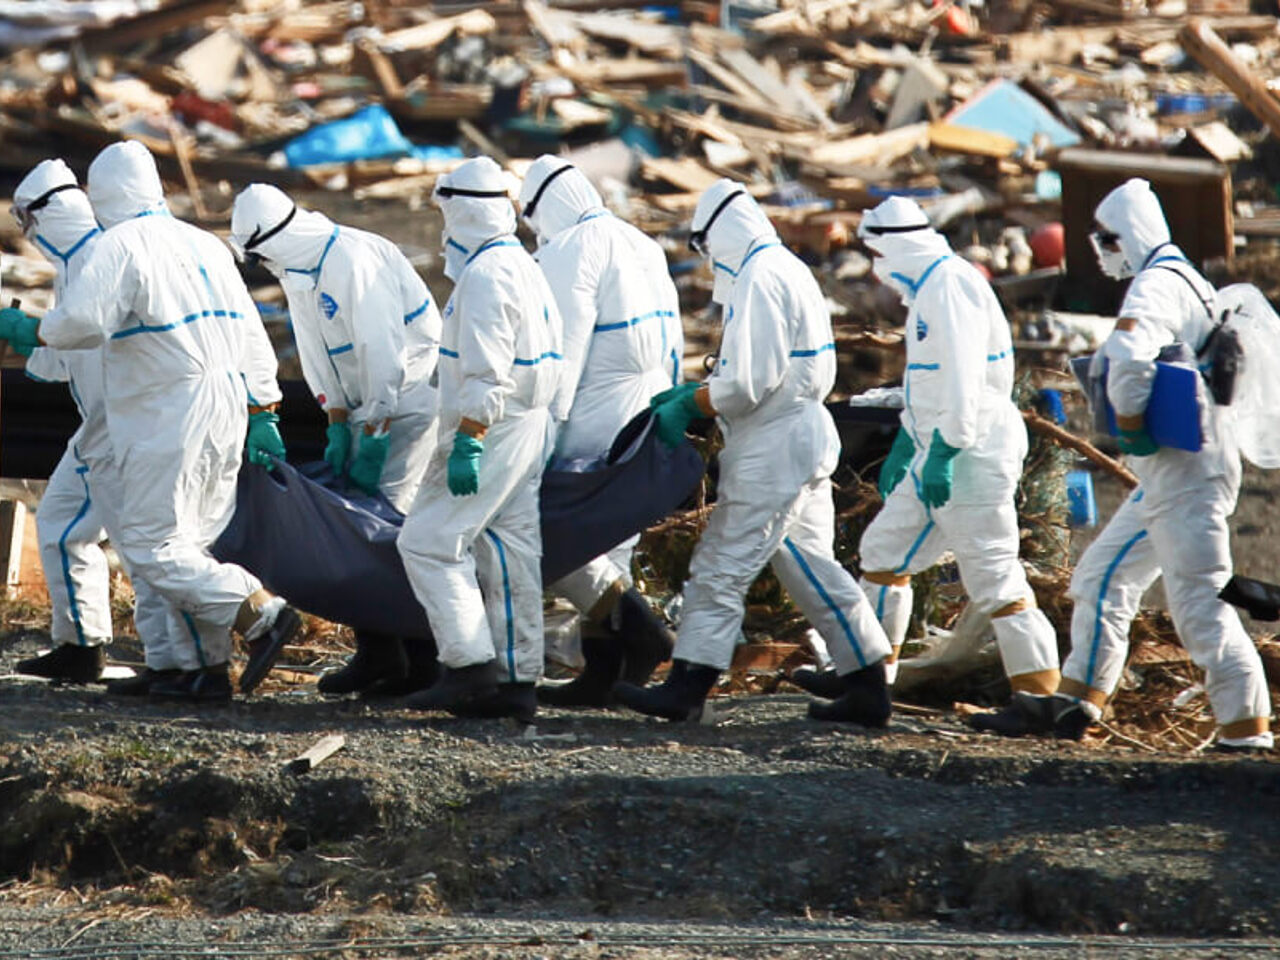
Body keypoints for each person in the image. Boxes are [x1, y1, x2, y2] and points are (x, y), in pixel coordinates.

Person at [974, 179, 1273, 751]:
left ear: (1127, 237)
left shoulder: (1154, 287)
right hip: (1179, 471)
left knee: (1199, 602)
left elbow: (1132, 361)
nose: (1103, 253)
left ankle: (1246, 731)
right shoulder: (1186, 277)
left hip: (1185, 473)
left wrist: (1129, 426)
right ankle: (1078, 701)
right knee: (1101, 579)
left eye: (1107, 241)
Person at [0, 141, 301, 701]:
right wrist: (264, 408)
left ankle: (259, 611)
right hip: (225, 402)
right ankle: (195, 671)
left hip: (166, 410)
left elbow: (83, 324)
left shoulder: (120, 245)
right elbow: (252, 333)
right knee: (190, 541)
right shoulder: (202, 243)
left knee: (152, 545)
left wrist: (34, 331)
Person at [612, 179, 894, 724]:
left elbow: (748, 382)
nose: (707, 258)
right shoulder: (783, 268)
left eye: (705, 244)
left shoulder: (760, 278)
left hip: (774, 444)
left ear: (721, 232)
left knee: (722, 562)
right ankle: (866, 682)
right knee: (811, 565)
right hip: (799, 435)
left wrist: (691, 403)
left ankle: (688, 684)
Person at [794, 196, 1060, 711]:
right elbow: (932, 383)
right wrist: (907, 437)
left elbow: (964, 384)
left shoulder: (949, 287)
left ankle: (1040, 697)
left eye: (877, 252)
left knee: (994, 574)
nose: (877, 267)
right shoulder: (930, 292)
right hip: (937, 449)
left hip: (971, 452)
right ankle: (868, 677)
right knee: (883, 554)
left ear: (897, 245)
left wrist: (942, 450)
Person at [229, 183, 443, 696]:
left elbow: (382, 356)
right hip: (369, 411)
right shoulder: (305, 272)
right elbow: (320, 354)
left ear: (272, 239)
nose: (260, 266)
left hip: (407, 405)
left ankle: (423, 660)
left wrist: (372, 429)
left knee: (388, 533)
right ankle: (379, 653)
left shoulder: (352, 259)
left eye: (257, 255)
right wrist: (337, 420)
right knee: (357, 532)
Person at [395, 156, 562, 722]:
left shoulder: (488, 274)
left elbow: (488, 369)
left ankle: (467, 668)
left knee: (429, 542)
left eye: (446, 210)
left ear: (463, 209)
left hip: (493, 425)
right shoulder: (520, 263)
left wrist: (470, 438)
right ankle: (517, 681)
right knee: (513, 551)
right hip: (528, 424)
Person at [9, 159, 180, 690]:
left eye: (27, 222)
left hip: (119, 426)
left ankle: (177, 662)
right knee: (63, 525)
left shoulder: (97, 260)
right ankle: (81, 646)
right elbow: (69, 355)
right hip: (108, 424)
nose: (27, 235)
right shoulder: (78, 264)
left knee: (137, 543)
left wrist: (34, 336)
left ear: (47, 213)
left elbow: (97, 347)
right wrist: (32, 345)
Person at [516, 155, 680, 708]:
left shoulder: (571, 249)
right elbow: (676, 340)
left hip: (593, 411)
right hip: (649, 406)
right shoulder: (645, 244)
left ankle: (636, 631)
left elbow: (561, 350)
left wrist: (545, 427)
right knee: (614, 536)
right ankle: (608, 669)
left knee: (554, 529)